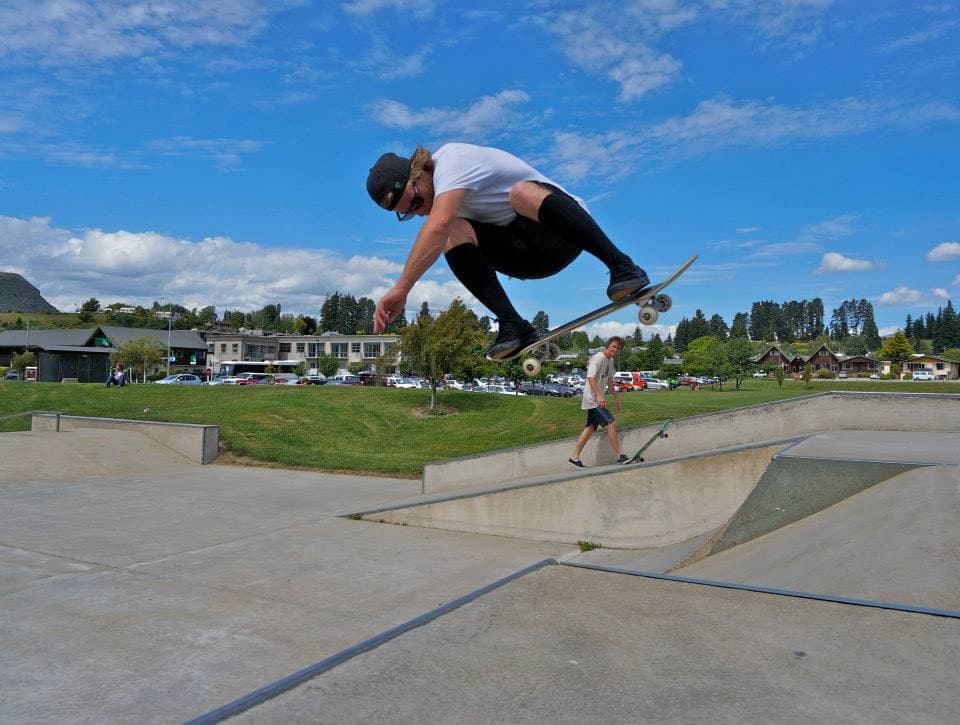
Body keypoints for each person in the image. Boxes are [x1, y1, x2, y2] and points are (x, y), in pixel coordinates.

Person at [366, 142, 649, 359]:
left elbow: (437, 225)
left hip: (564, 232)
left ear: (421, 171)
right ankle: (514, 325)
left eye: (416, 202)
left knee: (520, 194)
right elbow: (440, 227)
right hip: (526, 257)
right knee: (453, 231)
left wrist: (401, 289)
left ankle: (622, 266)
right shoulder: (437, 197)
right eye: (408, 214)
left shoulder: (452, 160)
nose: (420, 212)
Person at [568, 336, 629, 467]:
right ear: (607, 346)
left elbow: (608, 380)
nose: (615, 349)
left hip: (596, 398)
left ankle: (574, 456)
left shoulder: (610, 360)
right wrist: (599, 395)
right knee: (611, 423)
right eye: (613, 346)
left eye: (618, 348)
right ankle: (619, 456)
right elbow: (590, 378)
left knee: (590, 428)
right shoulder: (598, 358)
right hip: (593, 399)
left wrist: (616, 397)